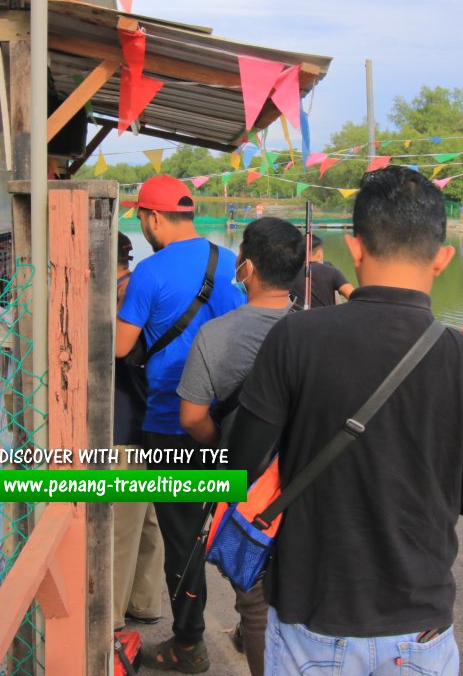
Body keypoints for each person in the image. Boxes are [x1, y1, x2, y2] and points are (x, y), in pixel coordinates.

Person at [228, 166, 463, 676]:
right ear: (443, 259)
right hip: (419, 623)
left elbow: (239, 467)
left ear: (354, 249)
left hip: (312, 613)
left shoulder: (296, 340)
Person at [115, 175, 244, 672]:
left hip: (170, 423)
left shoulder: (149, 272)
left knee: (182, 539)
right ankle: (252, 624)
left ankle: (189, 643)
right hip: (225, 422)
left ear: (150, 217)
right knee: (230, 526)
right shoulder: (232, 263)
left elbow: (123, 347)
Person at [177, 217, 304, 676]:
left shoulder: (217, 334)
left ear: (244, 266)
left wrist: (225, 444)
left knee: (254, 600)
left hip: (246, 486)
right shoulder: (316, 331)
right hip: (304, 479)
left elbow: (191, 417)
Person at [112, 232, 165, 631]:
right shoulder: (147, 287)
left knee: (120, 529)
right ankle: (145, 602)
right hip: (157, 418)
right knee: (149, 521)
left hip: (124, 421)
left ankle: (109, 616)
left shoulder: (114, 299)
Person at [290, 234, 353, 310]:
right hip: (328, 319)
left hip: (298, 319)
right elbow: (354, 296)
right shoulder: (333, 271)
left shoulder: (289, 273)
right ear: (319, 253)